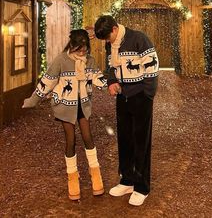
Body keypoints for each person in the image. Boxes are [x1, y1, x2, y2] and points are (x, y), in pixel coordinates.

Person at [23, 29, 107, 201]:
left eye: (85, 48)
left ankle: (95, 174)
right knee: (71, 140)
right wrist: (33, 100)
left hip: (83, 105)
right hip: (65, 106)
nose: (82, 52)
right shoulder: (61, 60)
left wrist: (111, 85)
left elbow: (97, 77)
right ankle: (72, 177)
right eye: (79, 49)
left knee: (88, 137)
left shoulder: (89, 61)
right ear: (72, 46)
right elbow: (47, 81)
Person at [94, 15, 159, 206]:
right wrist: (112, 82)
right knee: (124, 139)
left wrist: (147, 95)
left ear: (114, 29)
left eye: (107, 37)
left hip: (140, 97)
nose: (107, 42)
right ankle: (127, 180)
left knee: (141, 141)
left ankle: (142, 187)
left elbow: (152, 67)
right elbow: (110, 66)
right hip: (123, 97)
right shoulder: (111, 45)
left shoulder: (139, 38)